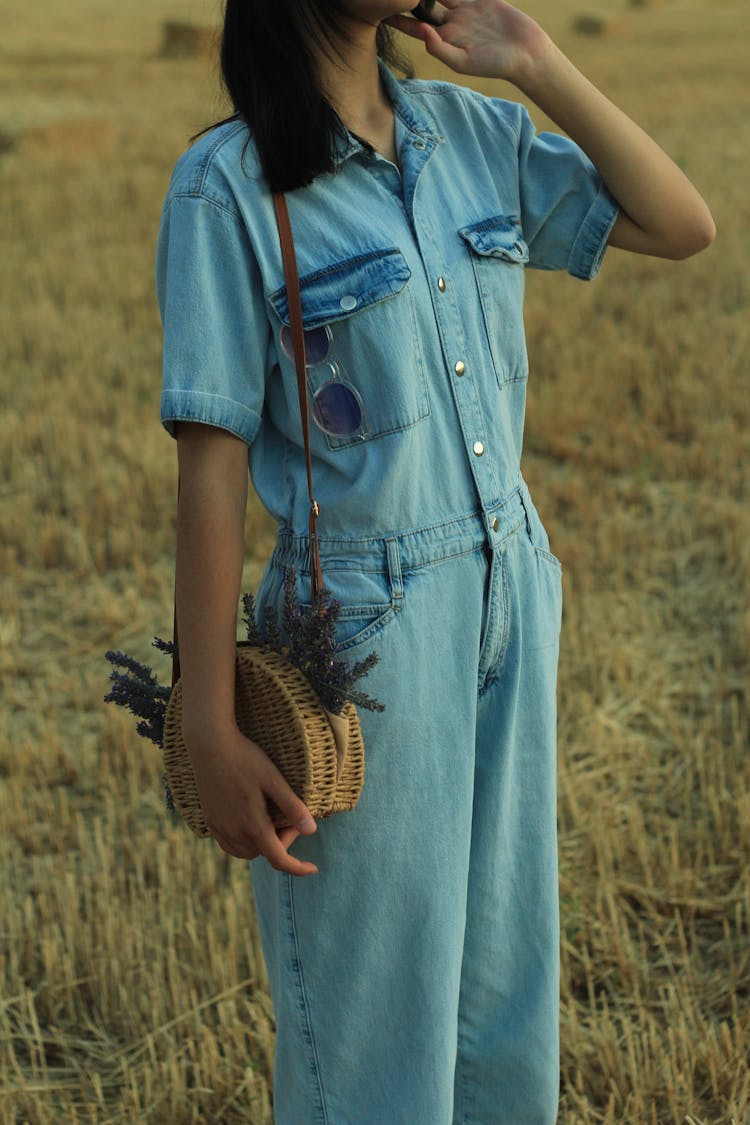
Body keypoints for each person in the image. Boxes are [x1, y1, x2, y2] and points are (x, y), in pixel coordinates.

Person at [155, 2, 715, 1121]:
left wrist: (539, 63)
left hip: (513, 587)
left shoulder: (473, 133)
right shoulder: (229, 185)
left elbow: (681, 221)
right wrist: (204, 720)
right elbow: (209, 471)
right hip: (364, 629)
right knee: (372, 1051)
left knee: (504, 1025)